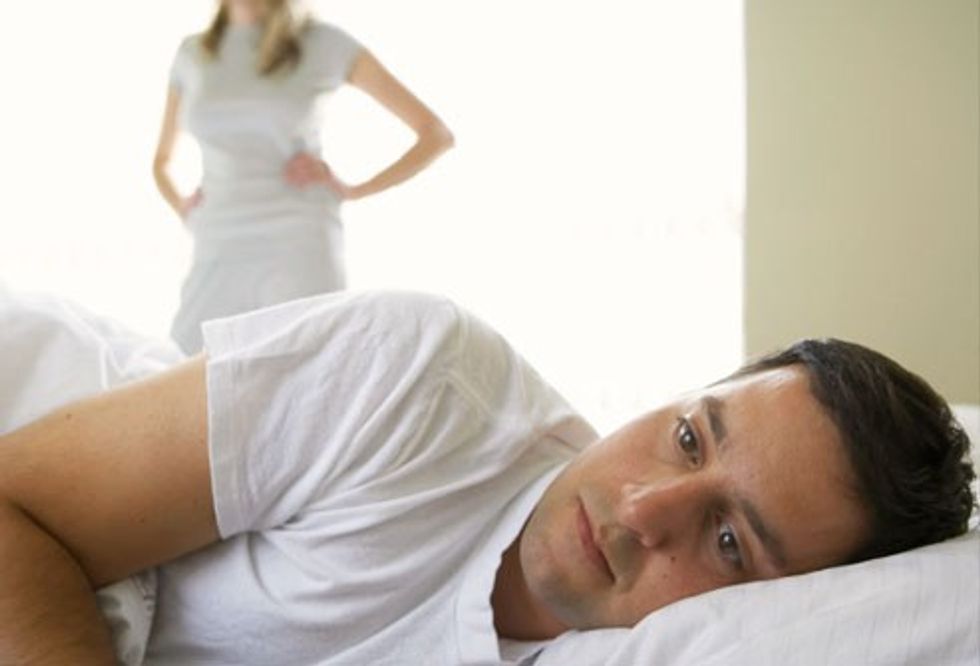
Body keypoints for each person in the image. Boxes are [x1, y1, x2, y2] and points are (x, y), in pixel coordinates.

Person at [0, 289, 974, 664]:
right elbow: (16, 510)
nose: (641, 510)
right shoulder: (417, 377)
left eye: (728, 542)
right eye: (687, 437)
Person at [153, 0, 454, 354]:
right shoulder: (193, 53)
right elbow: (161, 162)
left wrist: (355, 190)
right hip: (217, 240)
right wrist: (185, 208)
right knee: (183, 367)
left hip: (297, 241)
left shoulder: (325, 44)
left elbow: (435, 134)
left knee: (304, 375)